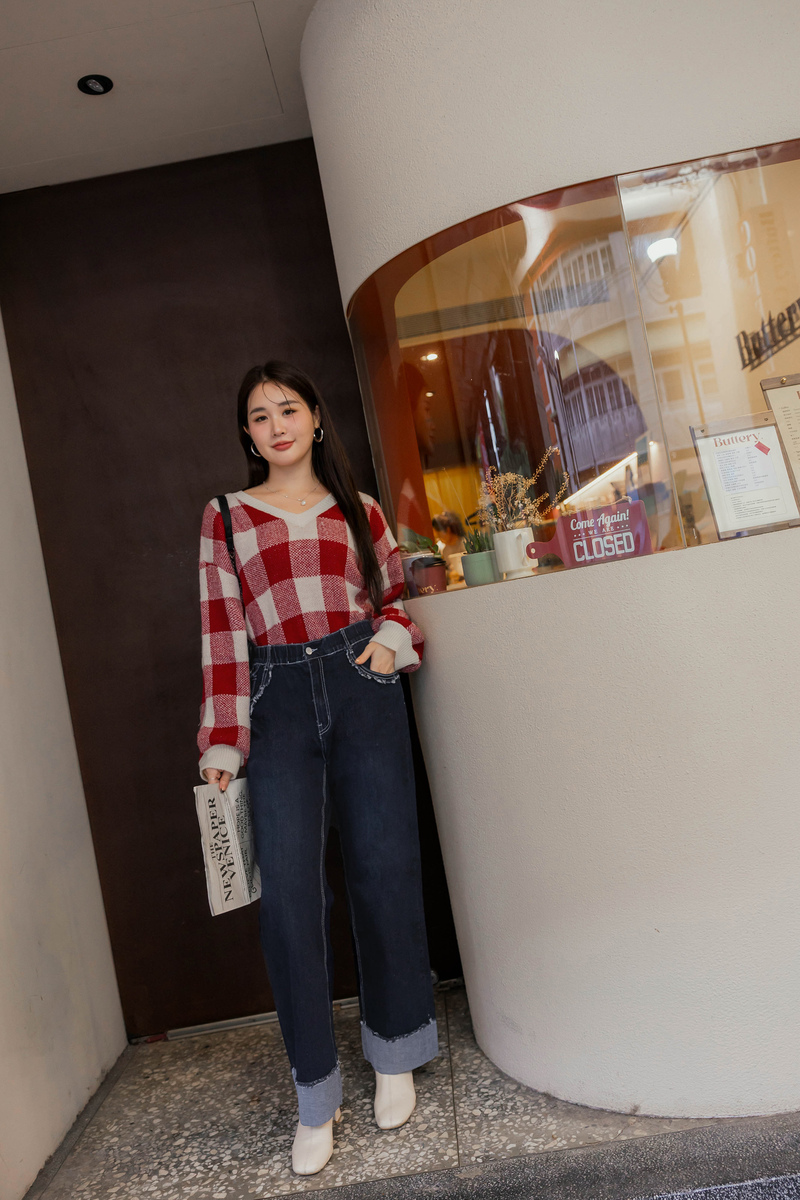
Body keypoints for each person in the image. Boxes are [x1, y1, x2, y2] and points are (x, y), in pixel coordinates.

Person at [197, 361, 438, 1176]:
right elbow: (221, 629)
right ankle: (315, 1093)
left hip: (359, 677)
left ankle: (396, 1048)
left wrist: (391, 638)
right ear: (247, 434)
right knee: (291, 898)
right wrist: (223, 739)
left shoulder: (358, 507)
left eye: (288, 409)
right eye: (260, 416)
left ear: (315, 419)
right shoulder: (226, 516)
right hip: (275, 697)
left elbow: (400, 590)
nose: (276, 426)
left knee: (384, 866)